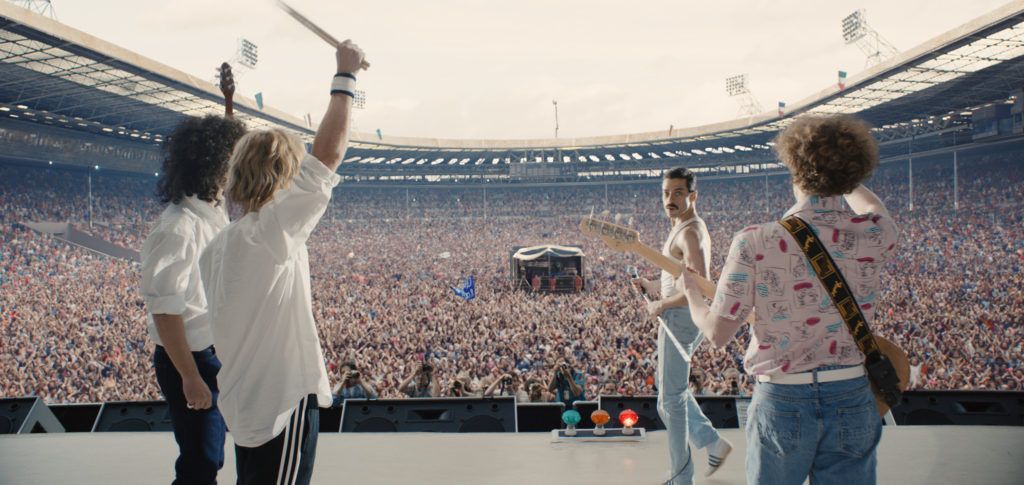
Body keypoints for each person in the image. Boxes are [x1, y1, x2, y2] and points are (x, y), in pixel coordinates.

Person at [675, 115, 898, 485]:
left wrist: (692, 295)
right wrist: (843, 176)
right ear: (852, 173)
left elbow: (716, 333)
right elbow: (875, 208)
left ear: (794, 170)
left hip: (783, 398)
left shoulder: (755, 240)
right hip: (852, 393)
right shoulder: (875, 233)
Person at [199, 41, 368, 485]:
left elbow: (246, 181)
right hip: (280, 405)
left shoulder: (219, 246)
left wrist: (232, 111)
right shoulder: (269, 237)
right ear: (282, 179)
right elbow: (327, 159)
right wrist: (345, 76)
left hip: (245, 401)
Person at [139, 74, 245, 484]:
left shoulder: (209, 207)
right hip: (189, 357)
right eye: (227, 167)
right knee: (201, 461)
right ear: (211, 170)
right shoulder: (177, 229)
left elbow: (229, 151)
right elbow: (165, 312)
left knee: (213, 453)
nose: (234, 175)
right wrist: (190, 378)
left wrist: (228, 106)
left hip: (213, 351)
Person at [631, 167, 732, 483]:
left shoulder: (689, 231)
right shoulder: (684, 226)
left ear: (693, 195)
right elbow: (681, 278)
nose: (670, 199)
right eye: (666, 193)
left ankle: (681, 475)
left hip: (680, 319)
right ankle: (711, 442)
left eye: (677, 192)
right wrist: (653, 285)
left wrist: (661, 304)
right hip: (682, 318)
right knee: (670, 393)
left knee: (670, 401)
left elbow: (699, 285)